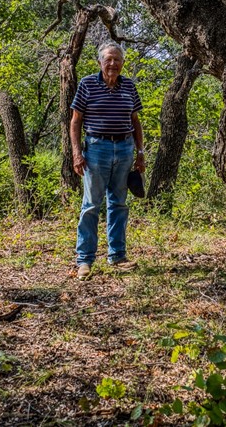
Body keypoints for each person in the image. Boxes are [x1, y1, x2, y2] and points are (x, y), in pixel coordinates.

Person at [70, 42, 146, 279]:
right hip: (96, 148)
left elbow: (135, 122)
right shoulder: (87, 84)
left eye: (117, 59)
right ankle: (84, 260)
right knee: (91, 205)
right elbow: (75, 122)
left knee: (119, 204)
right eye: (108, 59)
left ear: (122, 63)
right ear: (100, 62)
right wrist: (76, 153)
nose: (113, 63)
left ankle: (117, 256)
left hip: (124, 148)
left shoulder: (129, 86)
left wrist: (140, 153)